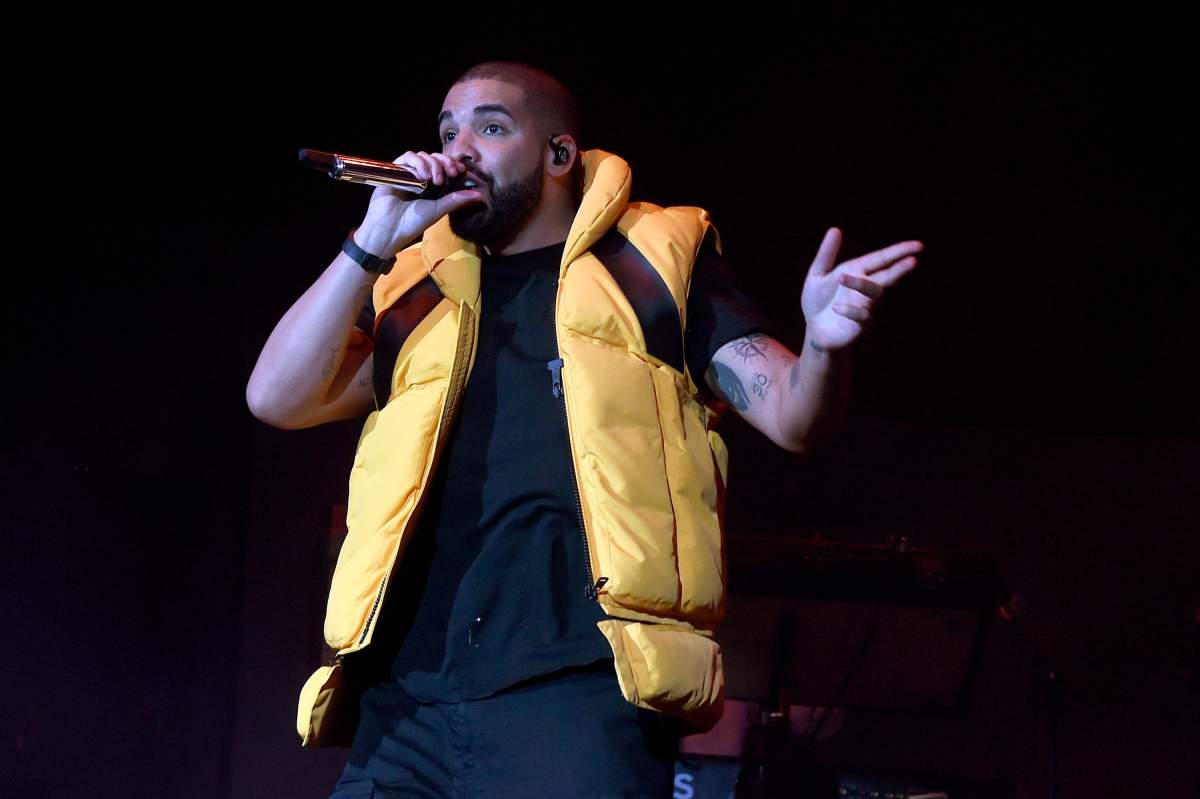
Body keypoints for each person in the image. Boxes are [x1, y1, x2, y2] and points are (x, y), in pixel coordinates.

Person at [246, 61, 922, 798]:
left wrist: (824, 343)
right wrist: (375, 238)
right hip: (406, 703)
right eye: (447, 130)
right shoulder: (413, 282)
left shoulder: (656, 262)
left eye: (491, 127)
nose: (458, 147)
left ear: (560, 155)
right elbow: (275, 397)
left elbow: (795, 416)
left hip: (578, 694)